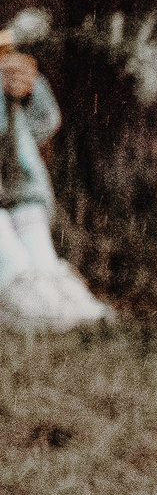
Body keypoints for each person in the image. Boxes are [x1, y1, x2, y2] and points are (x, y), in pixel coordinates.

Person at [0, 20, 111, 329]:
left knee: (28, 215)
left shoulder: (5, 69)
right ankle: (14, 280)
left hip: (20, 187)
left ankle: (46, 277)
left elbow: (45, 123)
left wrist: (29, 91)